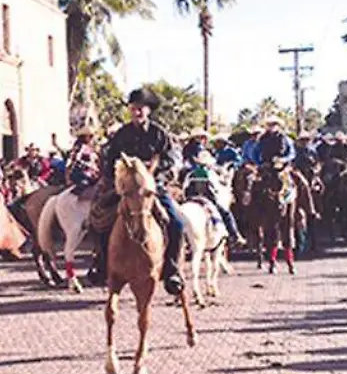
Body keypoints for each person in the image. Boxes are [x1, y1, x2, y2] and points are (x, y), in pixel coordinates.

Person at [97, 88, 185, 295]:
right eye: (133, 109)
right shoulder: (121, 135)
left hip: (152, 188)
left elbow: (171, 161)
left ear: (148, 111)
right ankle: (101, 264)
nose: (136, 112)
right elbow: (110, 161)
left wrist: (157, 177)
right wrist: (115, 177)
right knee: (99, 219)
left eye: (140, 109)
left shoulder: (159, 134)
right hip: (126, 189)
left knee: (177, 223)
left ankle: (171, 269)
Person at [181, 150, 244, 245]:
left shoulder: (191, 173)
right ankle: (234, 234)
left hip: (191, 197)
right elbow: (215, 188)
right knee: (225, 213)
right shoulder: (210, 173)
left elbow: (185, 186)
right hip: (208, 198)